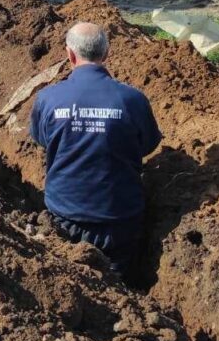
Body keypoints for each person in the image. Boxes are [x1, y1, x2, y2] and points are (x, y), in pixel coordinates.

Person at [29, 21, 161, 280]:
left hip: (64, 219)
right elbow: (146, 146)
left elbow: (44, 141)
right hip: (120, 223)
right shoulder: (133, 100)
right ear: (106, 54)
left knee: (70, 283)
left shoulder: (48, 99)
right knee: (122, 290)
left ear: (70, 54)